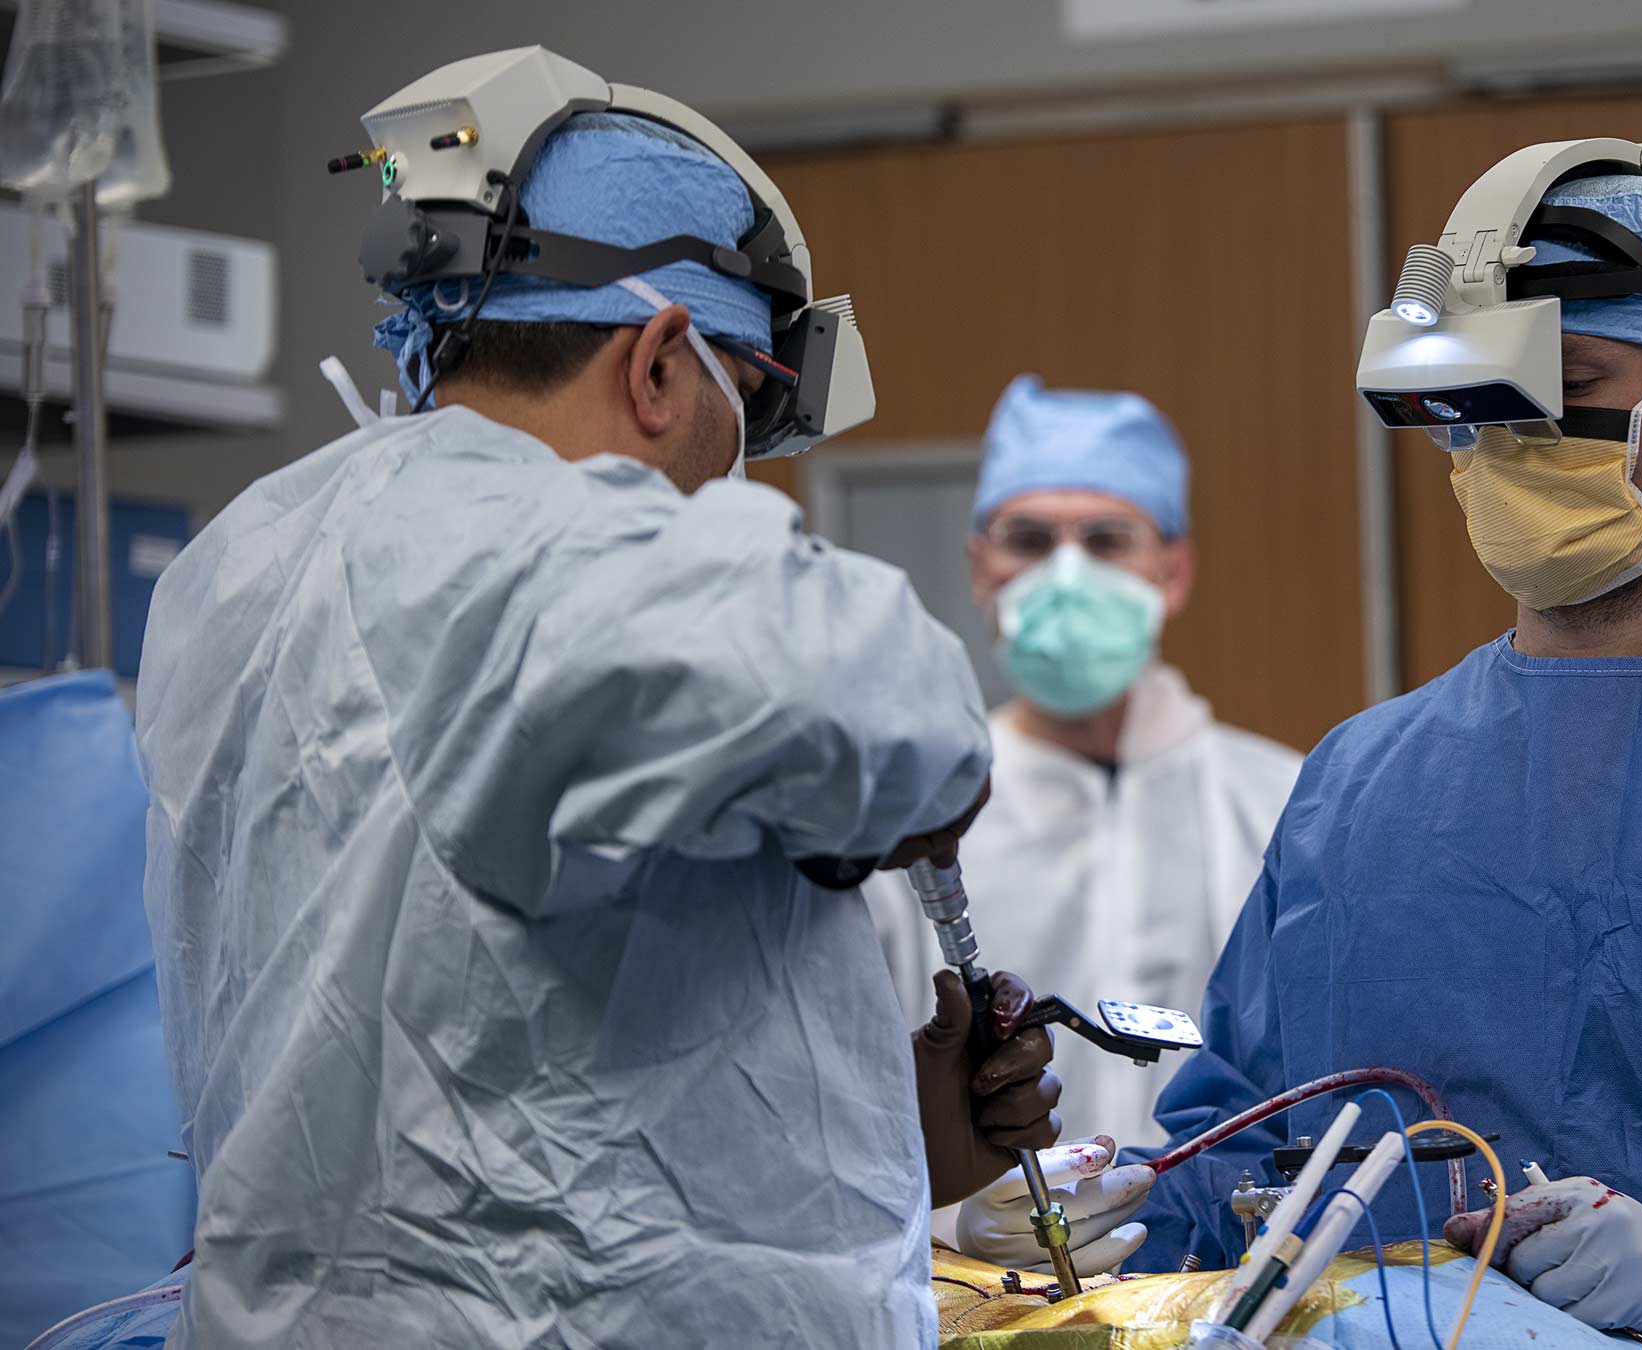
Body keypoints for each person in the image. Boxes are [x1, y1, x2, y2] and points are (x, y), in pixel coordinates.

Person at [960, 150, 1642, 1337]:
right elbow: (1248, 1142)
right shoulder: (1359, 787)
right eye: (1482, 395)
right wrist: (1101, 1206)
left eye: (1567, 382)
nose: (1511, 441)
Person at [135, 69, 1059, 1348]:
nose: (725, 474)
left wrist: (882, 1128)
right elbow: (907, 721)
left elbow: (460, 1043)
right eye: (740, 422)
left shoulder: (242, 565)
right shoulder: (543, 549)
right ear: (663, 364)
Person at [871, 375, 1302, 1158]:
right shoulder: (918, 819)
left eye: (1106, 540)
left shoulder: (1280, 803)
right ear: (980, 569)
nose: (1066, 575)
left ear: (1172, 572)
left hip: (1222, 1258)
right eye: (1029, 540)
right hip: (982, 1266)